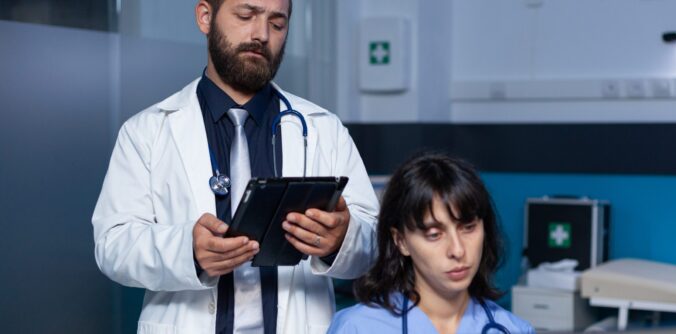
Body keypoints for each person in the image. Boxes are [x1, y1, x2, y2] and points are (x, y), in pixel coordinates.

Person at [91, 0, 379, 333]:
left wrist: (342, 239)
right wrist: (188, 252)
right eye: (246, 15)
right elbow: (112, 245)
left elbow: (373, 242)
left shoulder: (323, 130)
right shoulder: (147, 131)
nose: (261, 34)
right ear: (205, 17)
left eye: (277, 23)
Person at [327, 153, 534, 334]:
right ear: (401, 241)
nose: (457, 250)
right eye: (434, 234)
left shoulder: (512, 329)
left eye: (468, 227)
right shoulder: (357, 328)